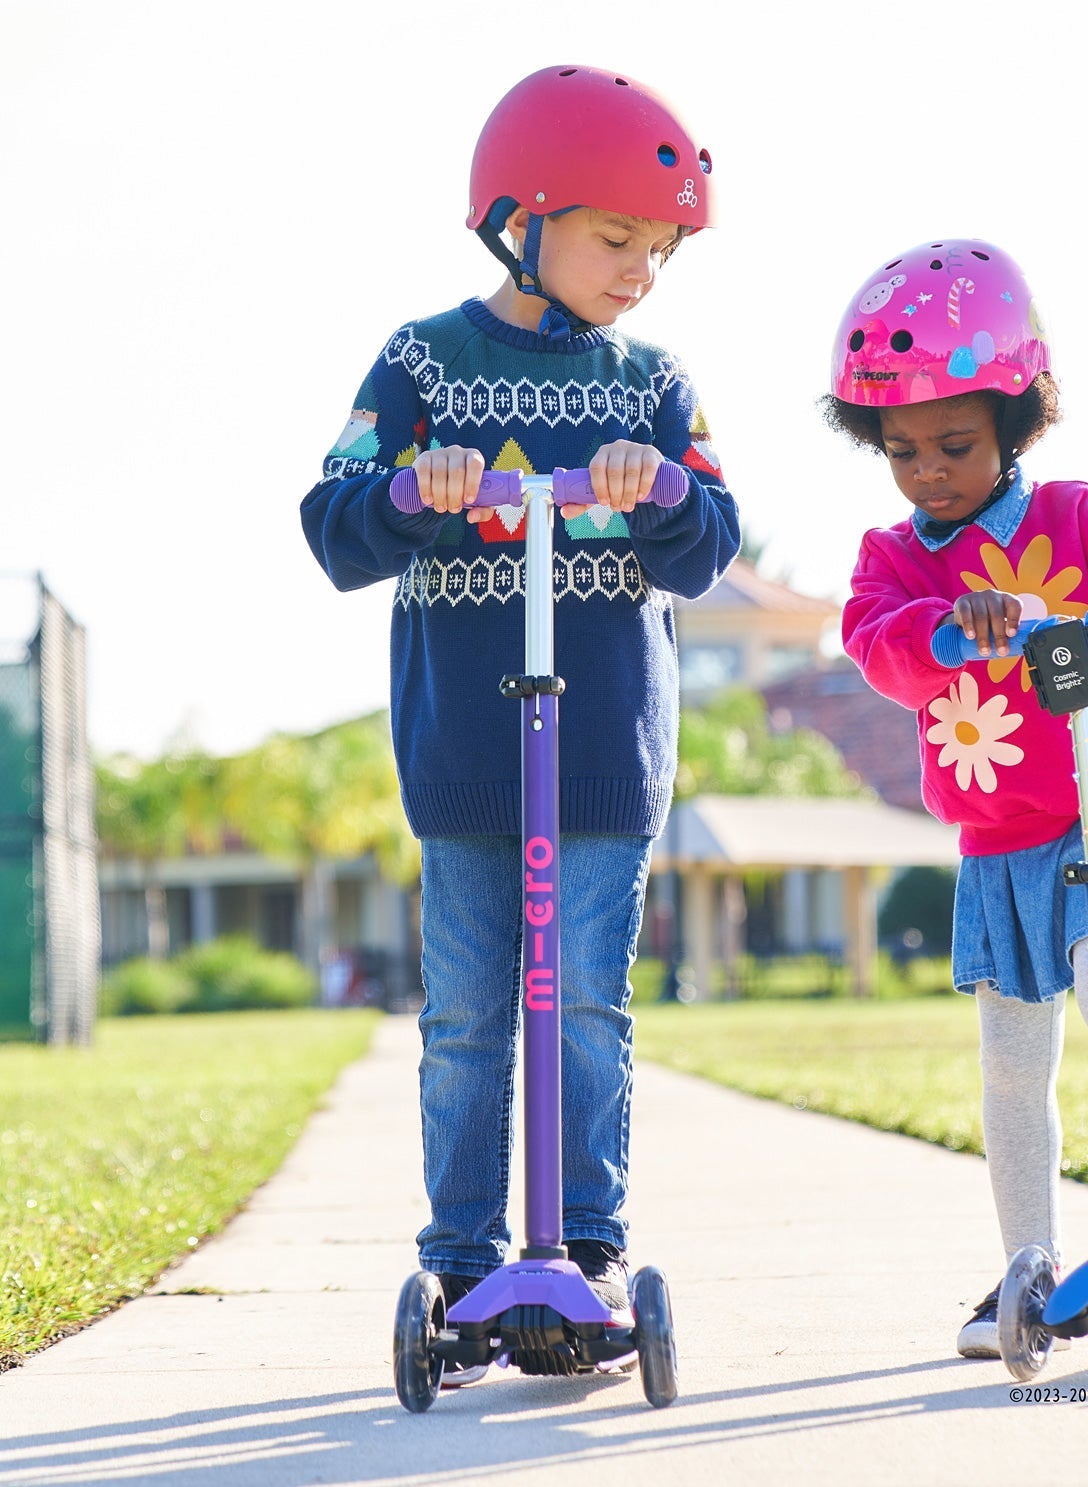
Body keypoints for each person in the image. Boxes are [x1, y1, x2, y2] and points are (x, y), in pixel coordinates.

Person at [301, 65, 740, 1384]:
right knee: (465, 1019)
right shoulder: (424, 362)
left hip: (603, 746)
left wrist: (663, 489)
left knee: (588, 1004)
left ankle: (590, 1246)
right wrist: (412, 488)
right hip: (466, 750)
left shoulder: (654, 380)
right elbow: (333, 520)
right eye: (616, 239)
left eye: (659, 249)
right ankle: (458, 1259)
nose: (641, 272)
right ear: (520, 220)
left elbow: (712, 541)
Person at [825, 239, 1088, 1358]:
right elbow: (878, 643)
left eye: (954, 445)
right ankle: (1029, 1263)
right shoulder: (893, 559)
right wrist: (951, 625)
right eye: (901, 451)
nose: (928, 472)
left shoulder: (1072, 513)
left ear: (1016, 421)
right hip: (1001, 839)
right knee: (1012, 1056)